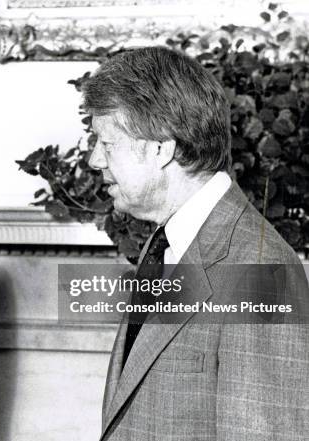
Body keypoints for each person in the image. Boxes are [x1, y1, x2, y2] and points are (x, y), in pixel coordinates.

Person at [83, 47, 309, 440]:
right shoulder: (165, 242)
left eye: (106, 144)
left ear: (160, 148)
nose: (93, 161)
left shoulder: (260, 269)